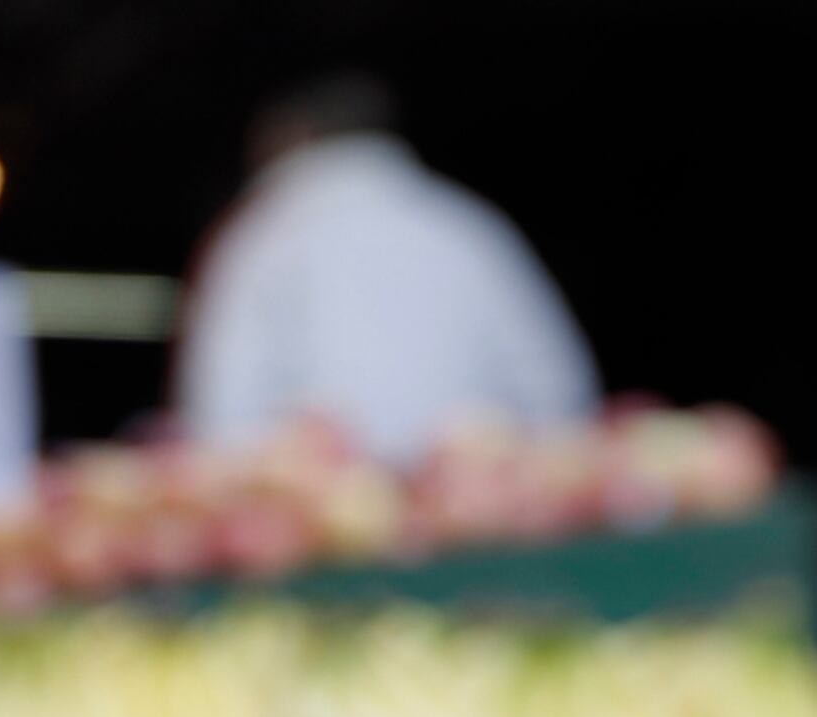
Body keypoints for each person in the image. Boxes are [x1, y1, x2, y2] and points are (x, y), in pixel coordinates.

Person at [176, 71, 598, 462]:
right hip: (477, 510)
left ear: (294, 135)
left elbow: (218, 412)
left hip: (321, 521)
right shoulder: (465, 224)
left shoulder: (259, 237)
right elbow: (557, 390)